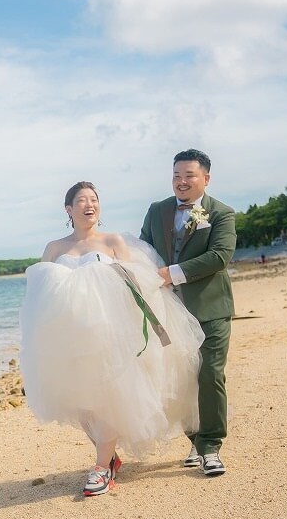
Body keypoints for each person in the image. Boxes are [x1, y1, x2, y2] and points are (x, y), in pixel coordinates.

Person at [19, 181, 204, 497]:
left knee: (110, 396)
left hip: (113, 337)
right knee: (82, 403)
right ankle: (110, 457)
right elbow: (39, 299)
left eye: (94, 199)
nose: (89, 204)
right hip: (71, 341)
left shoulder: (113, 241)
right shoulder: (55, 248)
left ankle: (102, 468)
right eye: (81, 200)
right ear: (68, 209)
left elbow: (140, 284)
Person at [139, 149, 236, 477]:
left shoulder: (222, 213)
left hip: (211, 309)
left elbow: (220, 256)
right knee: (181, 380)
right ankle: (194, 439)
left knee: (209, 373)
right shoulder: (157, 211)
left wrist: (171, 273)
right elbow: (144, 250)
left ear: (206, 178)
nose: (181, 182)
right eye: (176, 175)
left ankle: (211, 446)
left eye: (189, 176)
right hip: (170, 311)